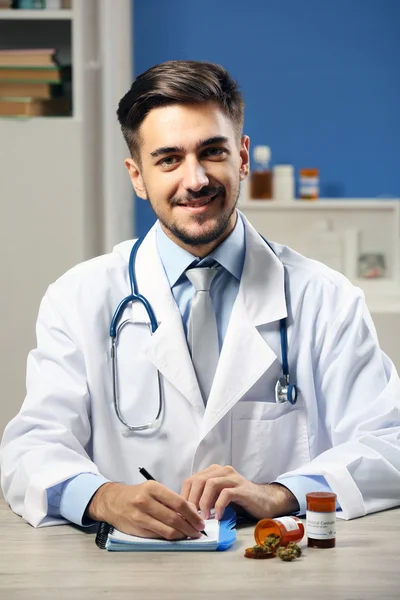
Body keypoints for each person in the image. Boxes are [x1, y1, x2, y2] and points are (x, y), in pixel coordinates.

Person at [1, 60, 400, 540]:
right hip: (126, 579)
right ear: (137, 175)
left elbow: (390, 445)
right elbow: (29, 450)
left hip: (278, 575)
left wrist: (279, 492)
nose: (195, 180)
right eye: (168, 159)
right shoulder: (79, 298)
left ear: (243, 156)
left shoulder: (326, 299)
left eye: (212, 152)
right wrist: (104, 497)